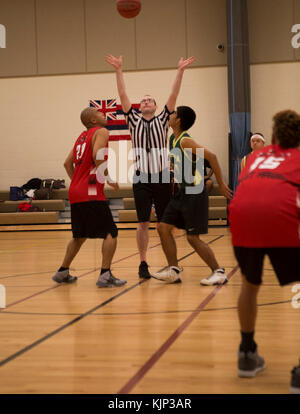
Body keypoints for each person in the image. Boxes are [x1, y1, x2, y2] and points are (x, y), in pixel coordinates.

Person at [228, 110, 300, 393]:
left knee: (249, 284)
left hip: (242, 216)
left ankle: (246, 354)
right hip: (281, 213)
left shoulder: (255, 157)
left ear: (272, 137)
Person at [105, 54, 195, 279]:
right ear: (140, 106)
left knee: (165, 224)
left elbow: (174, 94)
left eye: (149, 100)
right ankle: (143, 263)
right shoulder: (132, 119)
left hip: (162, 176)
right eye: (143, 100)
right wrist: (118, 70)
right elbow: (123, 94)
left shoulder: (164, 118)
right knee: (143, 222)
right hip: (141, 177)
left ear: (155, 106)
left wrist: (180, 71)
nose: (145, 102)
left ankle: (172, 265)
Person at [151, 106, 233, 285]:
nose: (170, 116)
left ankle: (218, 272)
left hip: (195, 192)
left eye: (173, 114)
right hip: (182, 193)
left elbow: (212, 157)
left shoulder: (185, 141)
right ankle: (173, 270)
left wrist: (222, 183)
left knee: (192, 237)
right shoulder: (173, 138)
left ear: (178, 120)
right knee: (163, 228)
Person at [52, 107, 127, 288]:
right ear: (93, 120)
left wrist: (78, 182)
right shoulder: (101, 131)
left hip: (76, 191)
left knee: (80, 235)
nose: (104, 115)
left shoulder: (81, 137)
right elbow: (97, 155)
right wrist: (109, 179)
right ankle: (105, 275)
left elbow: (66, 163)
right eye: (100, 114)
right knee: (111, 233)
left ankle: (62, 271)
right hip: (90, 192)